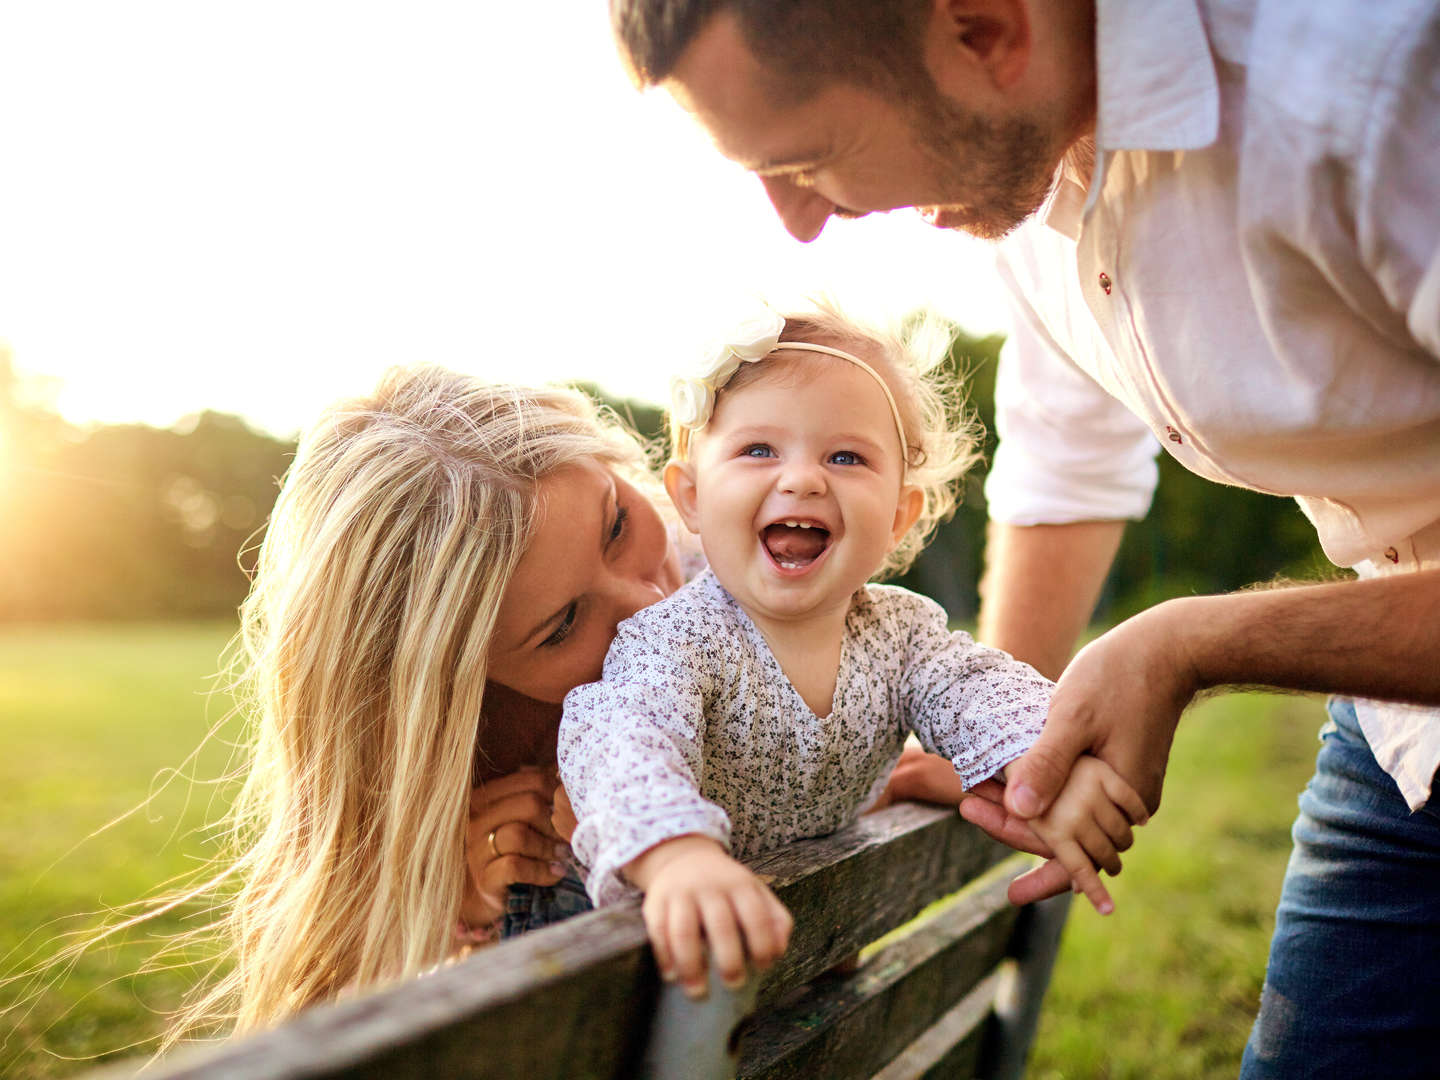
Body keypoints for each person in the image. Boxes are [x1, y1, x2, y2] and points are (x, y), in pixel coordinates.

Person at [607, 0, 1440, 1074]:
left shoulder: (1376, 92)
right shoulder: (1030, 183)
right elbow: (1065, 461)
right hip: (1403, 732)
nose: (798, 223)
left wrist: (1187, 641)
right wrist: (1012, 744)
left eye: (810, 159)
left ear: (987, 31)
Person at [169, 364, 968, 1040]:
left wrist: (868, 769)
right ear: (457, 690)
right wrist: (469, 906)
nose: (645, 597)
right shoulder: (474, 798)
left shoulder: (738, 585)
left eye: (618, 523)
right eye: (561, 627)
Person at [558, 305, 1148, 1000]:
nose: (804, 479)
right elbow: (622, 739)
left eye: (846, 457)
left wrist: (1042, 760)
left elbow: (978, 689)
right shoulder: (676, 642)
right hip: (668, 974)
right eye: (758, 450)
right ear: (690, 497)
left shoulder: (901, 637)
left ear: (899, 515)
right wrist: (675, 854)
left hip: (803, 964)